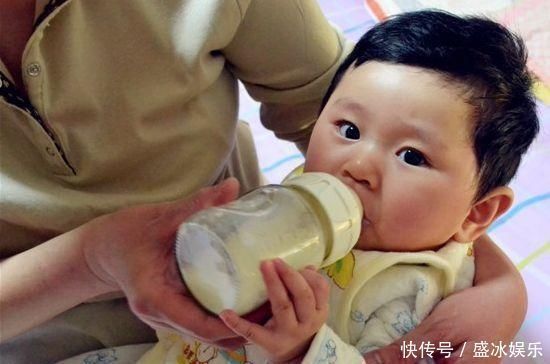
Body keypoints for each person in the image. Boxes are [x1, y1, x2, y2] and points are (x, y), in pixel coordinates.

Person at [0, 2, 529, 363]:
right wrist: (90, 259)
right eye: (347, 129)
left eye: (411, 155)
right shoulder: (306, 197)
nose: (356, 166)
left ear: (478, 213)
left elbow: (314, 91)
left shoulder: (413, 299)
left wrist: (301, 353)